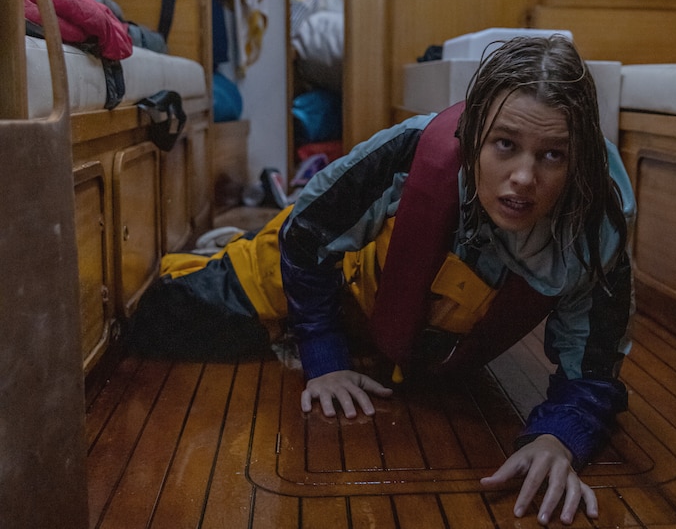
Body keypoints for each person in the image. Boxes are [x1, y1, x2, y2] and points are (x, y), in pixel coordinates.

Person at [130, 34, 634, 526]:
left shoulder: (595, 226)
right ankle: (219, 256)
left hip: (418, 342)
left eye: (552, 155)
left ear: (579, 159)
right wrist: (323, 355)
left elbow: (593, 368)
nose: (524, 177)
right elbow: (306, 235)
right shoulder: (413, 152)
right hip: (323, 279)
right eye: (505, 145)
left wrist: (560, 437)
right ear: (475, 133)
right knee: (156, 319)